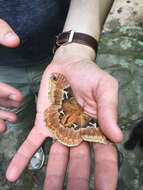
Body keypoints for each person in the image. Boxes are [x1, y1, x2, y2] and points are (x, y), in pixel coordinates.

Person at [0, 0, 123, 189]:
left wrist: (79, 47)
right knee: (17, 115)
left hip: (59, 46)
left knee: (30, 114)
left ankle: (42, 138)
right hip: (4, 69)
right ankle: (31, 138)